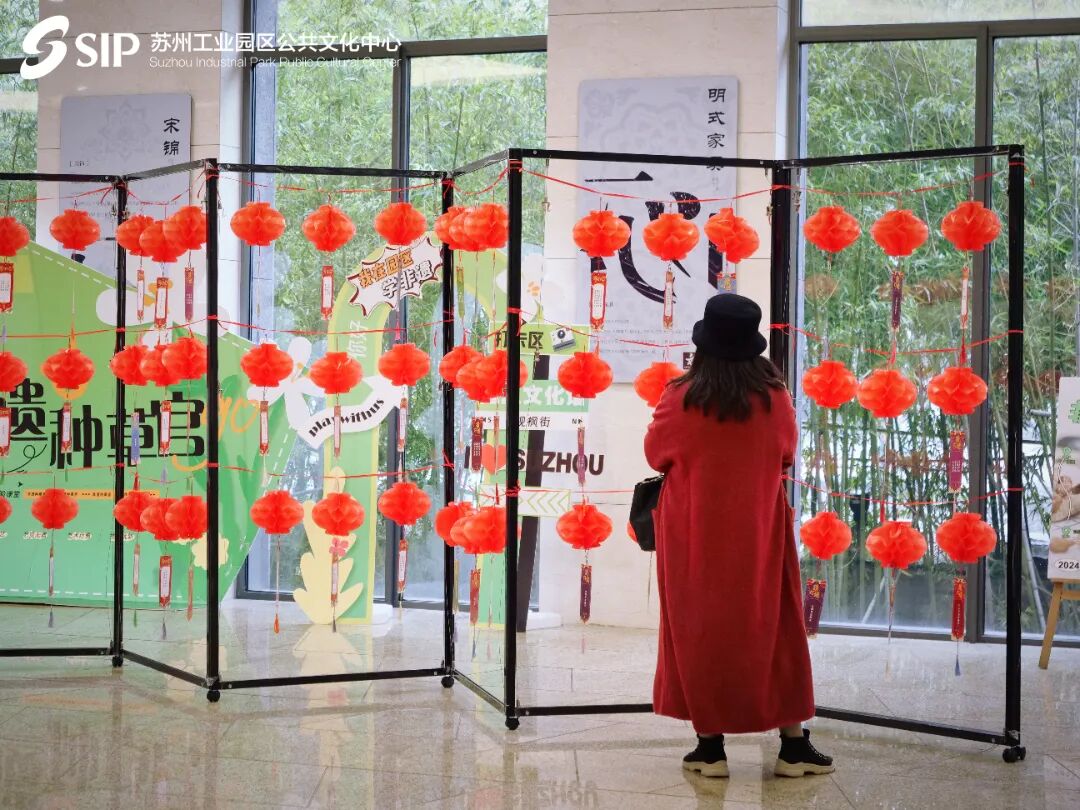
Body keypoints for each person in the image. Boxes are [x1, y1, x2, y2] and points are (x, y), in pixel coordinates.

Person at [643, 293, 833, 779]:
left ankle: (710, 749)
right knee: (777, 628)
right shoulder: (774, 398)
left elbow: (656, 454)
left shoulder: (680, 396)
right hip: (759, 530)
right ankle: (793, 747)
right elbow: (785, 455)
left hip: (692, 532)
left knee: (698, 629)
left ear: (705, 343)